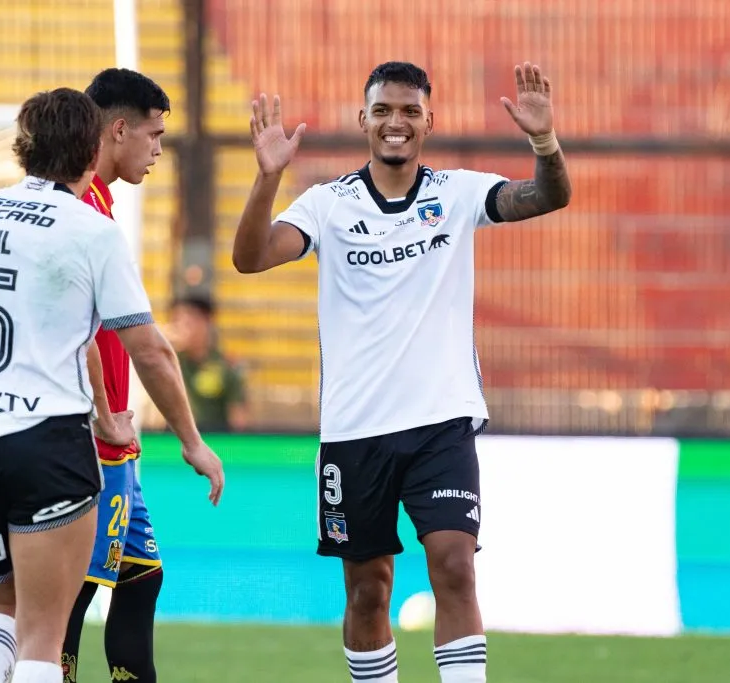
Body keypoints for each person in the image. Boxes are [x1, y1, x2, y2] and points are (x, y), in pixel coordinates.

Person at [231, 61, 571, 683]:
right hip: (355, 431)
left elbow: (549, 196)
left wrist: (543, 142)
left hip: (441, 423)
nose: (396, 123)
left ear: (428, 122)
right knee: (368, 590)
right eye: (384, 111)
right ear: (364, 120)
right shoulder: (328, 205)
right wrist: (267, 179)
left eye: (410, 111)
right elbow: (250, 258)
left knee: (454, 565)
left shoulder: (460, 194)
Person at [0, 86, 224, 683]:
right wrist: (191, 441)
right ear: (93, 144)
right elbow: (149, 349)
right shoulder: (92, 229)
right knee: (43, 641)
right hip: (48, 443)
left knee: (0, 612)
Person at [58, 67, 177, 683]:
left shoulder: (97, 202)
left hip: (113, 439)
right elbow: (76, 331)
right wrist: (103, 414)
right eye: (153, 135)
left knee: (139, 576)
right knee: (74, 589)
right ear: (120, 128)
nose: (158, 150)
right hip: (92, 438)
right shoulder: (81, 207)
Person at [169, 294, 249, 432]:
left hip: (217, 442)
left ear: (205, 322)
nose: (179, 330)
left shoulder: (227, 365)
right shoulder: (170, 362)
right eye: (175, 323)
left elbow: (238, 418)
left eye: (187, 323)